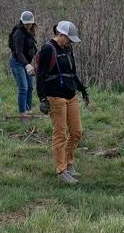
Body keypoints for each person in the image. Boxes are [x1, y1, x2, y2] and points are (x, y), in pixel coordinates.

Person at [36, 21, 89, 184]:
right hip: (55, 96)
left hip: (70, 94)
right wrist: (42, 98)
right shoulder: (47, 49)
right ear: (61, 35)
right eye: (69, 39)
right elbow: (40, 75)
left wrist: (82, 89)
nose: (71, 42)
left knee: (76, 131)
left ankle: (69, 162)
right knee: (60, 133)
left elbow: (71, 73)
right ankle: (61, 170)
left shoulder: (68, 49)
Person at [8, 11, 39, 117]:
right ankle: (22, 113)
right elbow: (18, 52)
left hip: (26, 63)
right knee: (23, 87)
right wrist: (27, 64)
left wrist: (31, 63)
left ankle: (28, 110)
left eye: (30, 23)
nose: (28, 25)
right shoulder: (19, 33)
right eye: (26, 23)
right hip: (17, 62)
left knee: (30, 87)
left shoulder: (30, 32)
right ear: (22, 22)